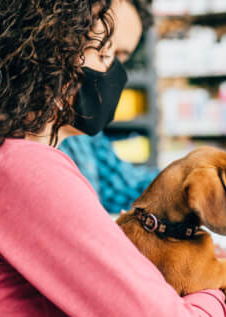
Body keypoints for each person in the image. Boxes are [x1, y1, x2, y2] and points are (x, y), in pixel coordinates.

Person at [0, 1, 226, 317]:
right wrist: (213, 274)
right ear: (51, 47)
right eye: (103, 54)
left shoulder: (4, 161)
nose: (112, 74)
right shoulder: (22, 169)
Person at [58, 0, 158, 215]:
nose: (109, 68)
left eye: (120, 58)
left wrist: (188, 179)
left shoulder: (80, 129)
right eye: (101, 48)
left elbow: (121, 186)